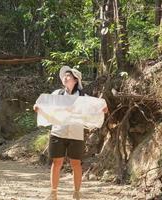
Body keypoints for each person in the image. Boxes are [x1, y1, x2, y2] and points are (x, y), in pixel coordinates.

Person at [33, 66, 108, 200]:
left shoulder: (83, 97)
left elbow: (94, 108)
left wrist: (102, 109)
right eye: (64, 76)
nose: (65, 78)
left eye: (68, 76)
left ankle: (76, 193)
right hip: (58, 132)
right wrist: (39, 107)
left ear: (75, 80)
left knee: (76, 163)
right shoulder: (57, 94)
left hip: (76, 133)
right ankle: (53, 193)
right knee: (56, 163)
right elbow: (47, 105)